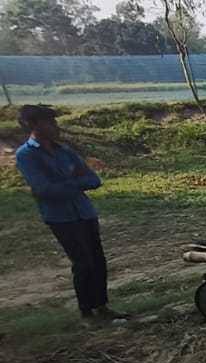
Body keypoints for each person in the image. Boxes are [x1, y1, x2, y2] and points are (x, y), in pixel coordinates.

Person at [14, 105, 129, 326]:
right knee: (82, 263)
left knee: (97, 260)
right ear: (33, 126)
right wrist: (76, 182)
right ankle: (86, 313)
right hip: (60, 217)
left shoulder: (65, 151)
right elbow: (43, 189)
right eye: (50, 123)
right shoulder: (26, 155)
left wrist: (64, 183)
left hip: (84, 212)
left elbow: (93, 180)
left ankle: (102, 306)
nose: (56, 126)